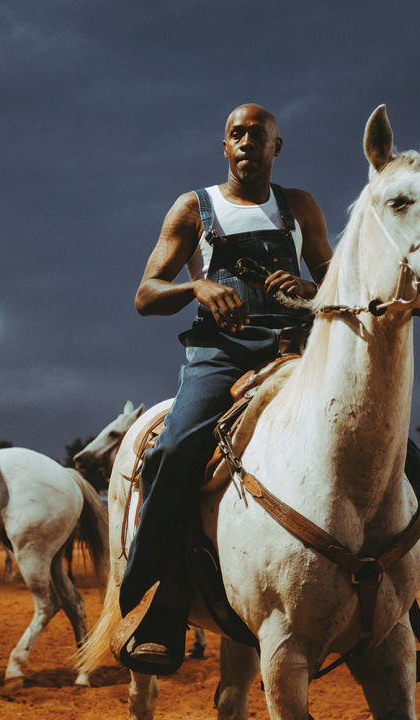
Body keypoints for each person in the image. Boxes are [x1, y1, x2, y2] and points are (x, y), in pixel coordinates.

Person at [119, 104, 333, 667]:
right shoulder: (194, 208)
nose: (246, 143)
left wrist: (312, 286)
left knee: (375, 434)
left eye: (257, 136)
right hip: (220, 353)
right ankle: (164, 602)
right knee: (174, 448)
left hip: (295, 349)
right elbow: (145, 294)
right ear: (224, 146)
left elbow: (337, 281)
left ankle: (401, 609)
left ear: (276, 147)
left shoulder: (301, 206)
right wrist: (196, 290)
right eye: (236, 135)